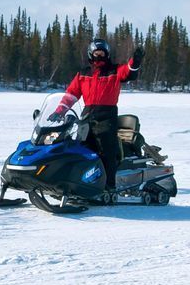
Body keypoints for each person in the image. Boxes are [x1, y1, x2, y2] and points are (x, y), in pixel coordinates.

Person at [50, 38, 144, 202]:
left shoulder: (114, 71)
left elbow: (129, 72)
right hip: (87, 115)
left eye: (102, 53)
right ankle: (81, 183)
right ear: (91, 55)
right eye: (96, 53)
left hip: (106, 115)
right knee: (82, 149)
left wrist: (135, 61)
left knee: (106, 150)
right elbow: (71, 94)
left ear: (107, 55)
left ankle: (109, 186)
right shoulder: (83, 73)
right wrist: (59, 111)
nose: (99, 56)